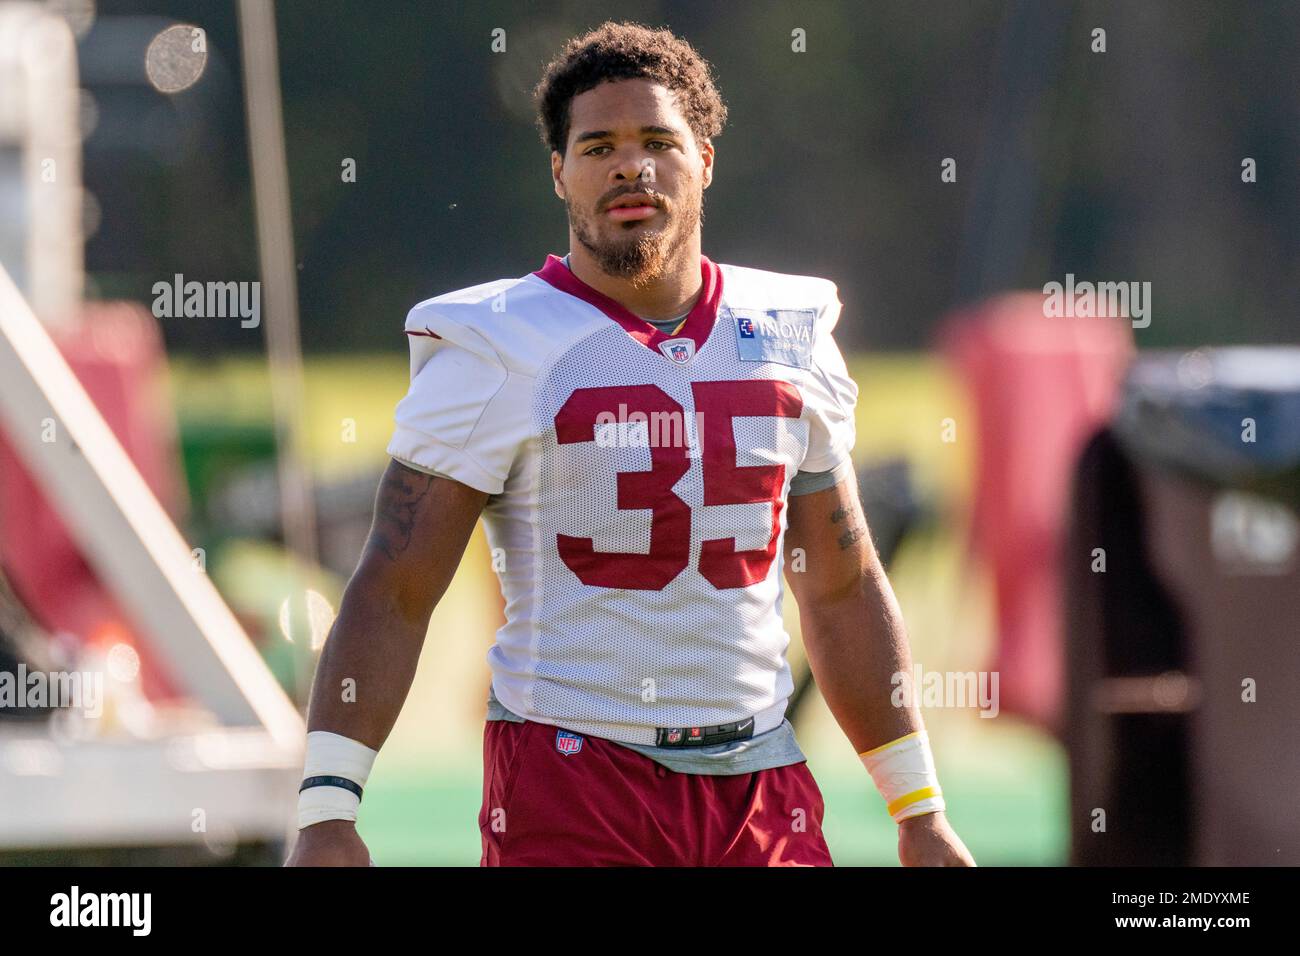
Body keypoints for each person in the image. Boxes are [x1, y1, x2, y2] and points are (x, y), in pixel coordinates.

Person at [287, 20, 974, 867]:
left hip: (759, 779)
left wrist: (919, 809)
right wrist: (326, 808)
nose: (629, 165)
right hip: (574, 773)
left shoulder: (789, 334)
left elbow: (839, 585)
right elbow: (395, 585)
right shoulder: (499, 342)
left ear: (705, 160)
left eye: (658, 140)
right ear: (560, 172)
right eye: (598, 145)